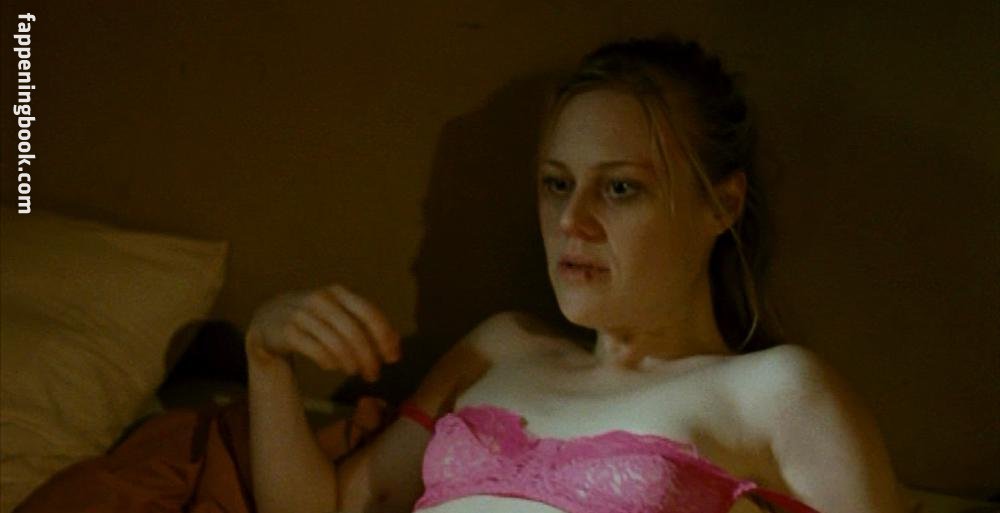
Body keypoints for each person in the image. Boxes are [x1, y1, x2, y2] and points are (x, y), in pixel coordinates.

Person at [245, 34, 908, 513]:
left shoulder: (776, 392)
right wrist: (266, 355)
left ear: (722, 204)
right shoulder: (500, 347)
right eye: (558, 184)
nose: (572, 220)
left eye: (620, 188)